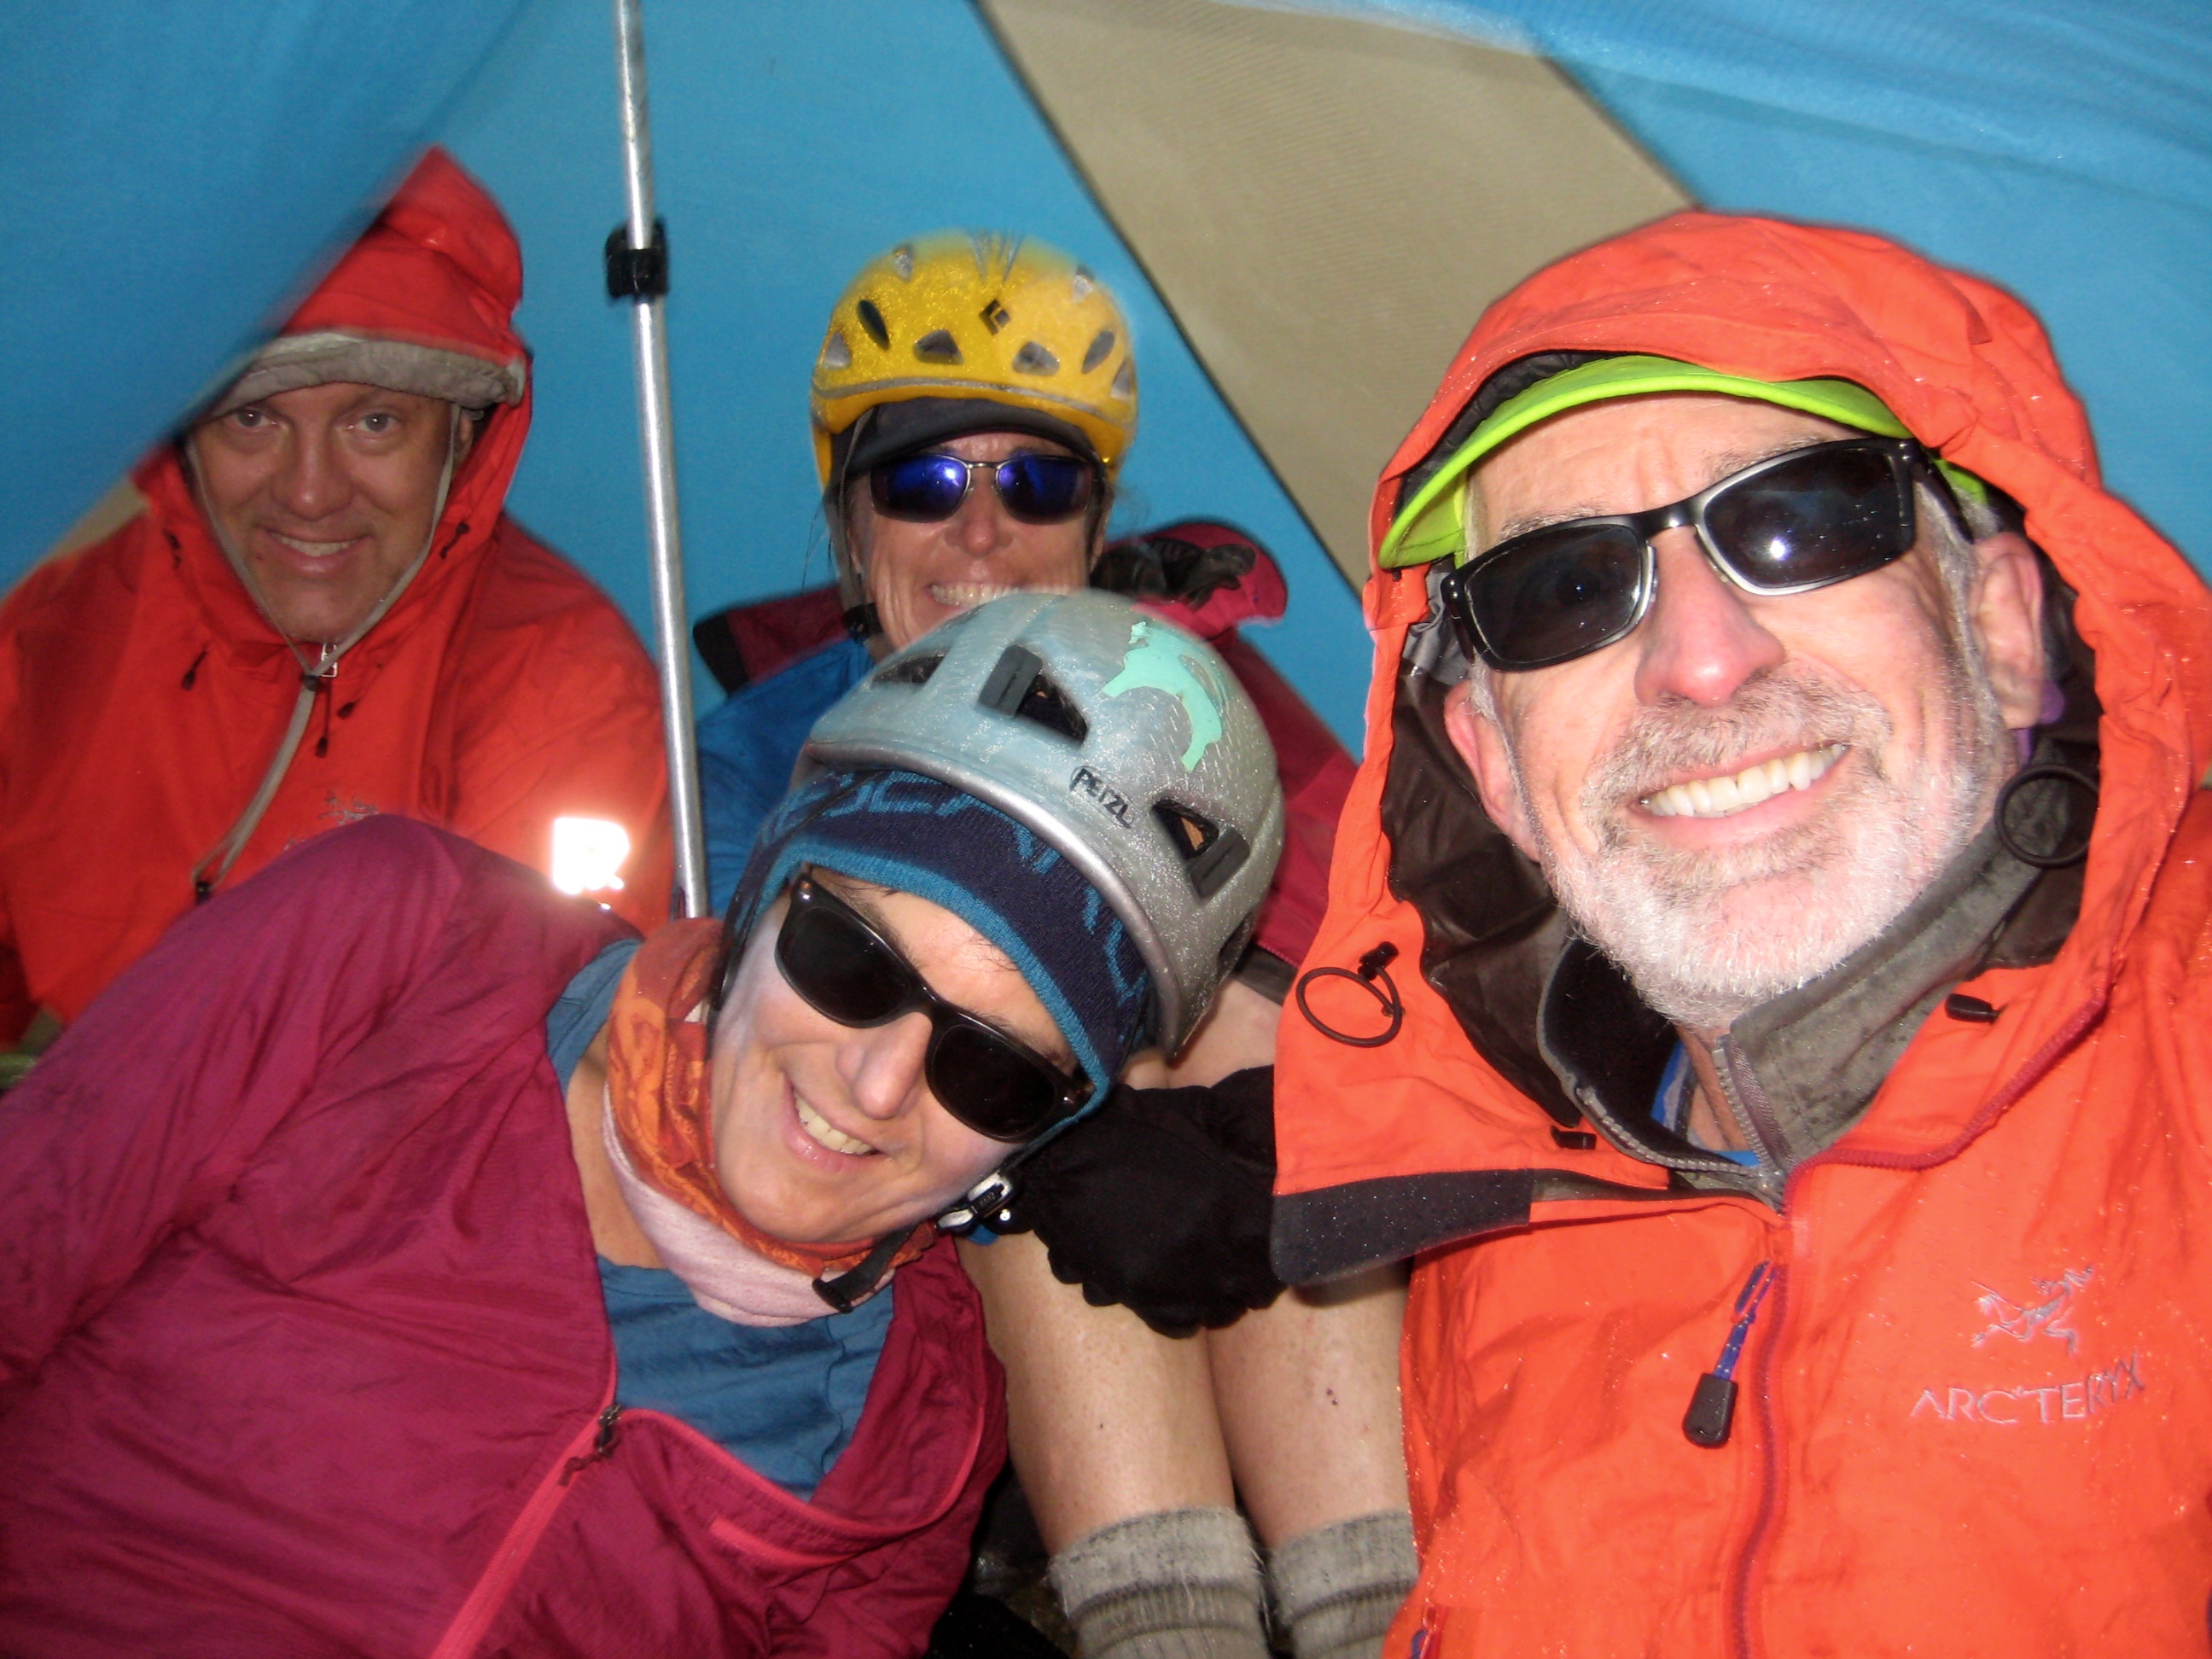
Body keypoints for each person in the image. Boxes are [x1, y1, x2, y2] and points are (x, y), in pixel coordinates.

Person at [0, 590, 1281, 1656]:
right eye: (851, 962)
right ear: (763, 894)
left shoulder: (916, 1422)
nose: (878, 1086)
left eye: (994, 1074)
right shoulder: (398, 951)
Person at [1268, 210, 2212, 1654]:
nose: (1703, 661)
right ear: (1495, 766)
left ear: (2005, 629)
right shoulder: (1501, 1240)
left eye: (1800, 522)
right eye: (1566, 591)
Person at [696, 231, 1412, 1659]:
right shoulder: (753, 757)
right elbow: (741, 1048)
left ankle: (1376, 1619)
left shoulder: (1202, 717)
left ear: (1094, 523)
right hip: (899, 1219)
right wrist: (1065, 1140)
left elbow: (1371, 974)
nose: (980, 532)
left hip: (1227, 1256)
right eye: (921, 482)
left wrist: (1272, 1127)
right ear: (848, 524)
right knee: (1042, 1046)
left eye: (1035, 483)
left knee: (1242, 1040)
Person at [0, 146, 670, 1053]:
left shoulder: (566, 690)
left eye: (373, 422)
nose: (309, 493)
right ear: (182, 438)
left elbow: (513, 1075)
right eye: (252, 417)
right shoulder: (55, 641)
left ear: (462, 435)